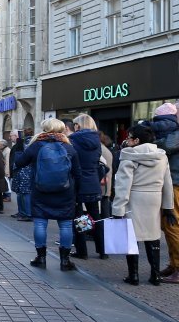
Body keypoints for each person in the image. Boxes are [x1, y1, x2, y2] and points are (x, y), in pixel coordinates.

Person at [16, 118, 81, 271]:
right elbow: (78, 173)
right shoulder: (69, 147)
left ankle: (41, 257)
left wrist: (20, 148)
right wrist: (76, 193)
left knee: (40, 223)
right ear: (62, 130)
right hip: (65, 192)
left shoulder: (36, 146)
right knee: (65, 225)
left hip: (40, 191)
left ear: (44, 129)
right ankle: (65, 260)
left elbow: (19, 163)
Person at [113, 124, 175, 285]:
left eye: (129, 137)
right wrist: (168, 207)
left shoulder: (128, 156)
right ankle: (155, 275)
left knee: (131, 238)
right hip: (154, 200)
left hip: (134, 199)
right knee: (153, 237)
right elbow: (167, 183)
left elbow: (123, 186)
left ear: (136, 140)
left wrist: (118, 209)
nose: (127, 140)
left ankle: (133, 275)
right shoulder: (161, 156)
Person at [69, 114, 106, 260]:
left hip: (78, 183)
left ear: (78, 125)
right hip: (93, 182)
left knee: (79, 217)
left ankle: (82, 251)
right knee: (96, 217)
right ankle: (102, 250)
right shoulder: (97, 140)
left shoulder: (74, 140)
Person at [154, 104, 179, 283]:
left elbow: (168, 145)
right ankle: (173, 264)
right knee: (168, 226)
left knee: (173, 226)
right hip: (172, 182)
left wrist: (152, 142)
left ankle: (178, 267)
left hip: (176, 184)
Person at [11, 129, 34, 221]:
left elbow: (19, 158)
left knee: (23, 193)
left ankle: (26, 213)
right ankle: (23, 212)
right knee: (22, 193)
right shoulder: (30, 143)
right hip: (25, 171)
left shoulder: (25, 144)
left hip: (23, 171)